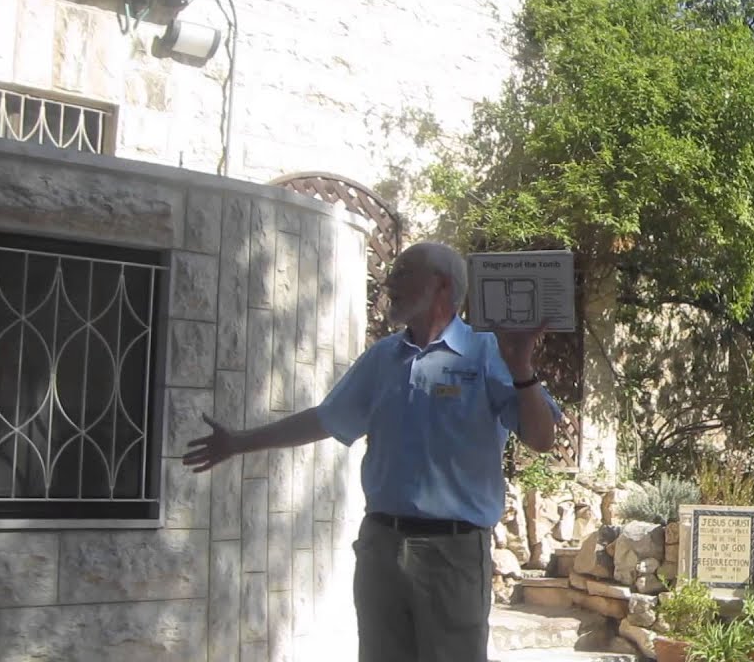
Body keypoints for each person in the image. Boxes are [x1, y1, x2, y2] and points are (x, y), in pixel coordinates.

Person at [183, 241, 562, 662]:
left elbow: (542, 439)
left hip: (452, 552)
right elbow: (326, 418)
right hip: (382, 545)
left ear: (441, 285)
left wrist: (522, 369)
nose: (390, 282)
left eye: (402, 273)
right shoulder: (384, 357)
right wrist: (239, 442)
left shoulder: (487, 351)